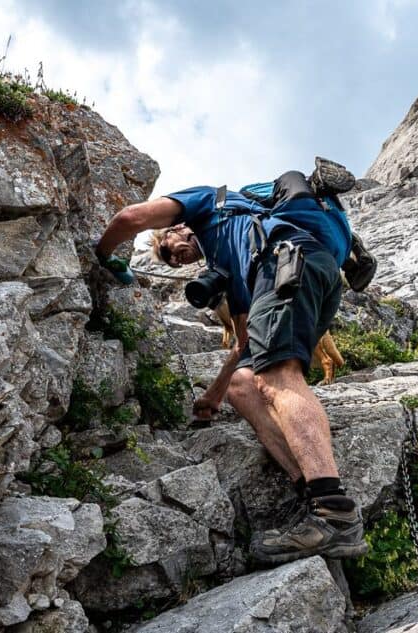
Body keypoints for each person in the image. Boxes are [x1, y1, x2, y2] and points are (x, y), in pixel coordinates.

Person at [94, 180, 367, 563]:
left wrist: (104, 256)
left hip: (287, 262)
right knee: (245, 383)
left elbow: (130, 217)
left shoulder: (207, 201)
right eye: (173, 263)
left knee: (278, 376)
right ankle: (311, 496)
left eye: (173, 252)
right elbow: (243, 345)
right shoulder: (231, 257)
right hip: (305, 270)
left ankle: (335, 514)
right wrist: (215, 395)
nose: (179, 261)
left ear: (176, 228)